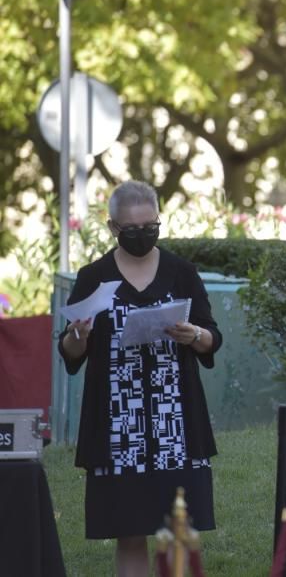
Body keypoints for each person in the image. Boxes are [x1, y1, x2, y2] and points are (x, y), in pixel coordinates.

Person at [57, 180, 222, 577]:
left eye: (151, 225)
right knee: (129, 533)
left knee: (178, 529)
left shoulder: (182, 272)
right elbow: (69, 352)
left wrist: (194, 335)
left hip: (175, 424)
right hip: (117, 426)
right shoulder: (94, 276)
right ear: (113, 228)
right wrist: (79, 336)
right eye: (132, 229)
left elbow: (211, 337)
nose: (142, 234)